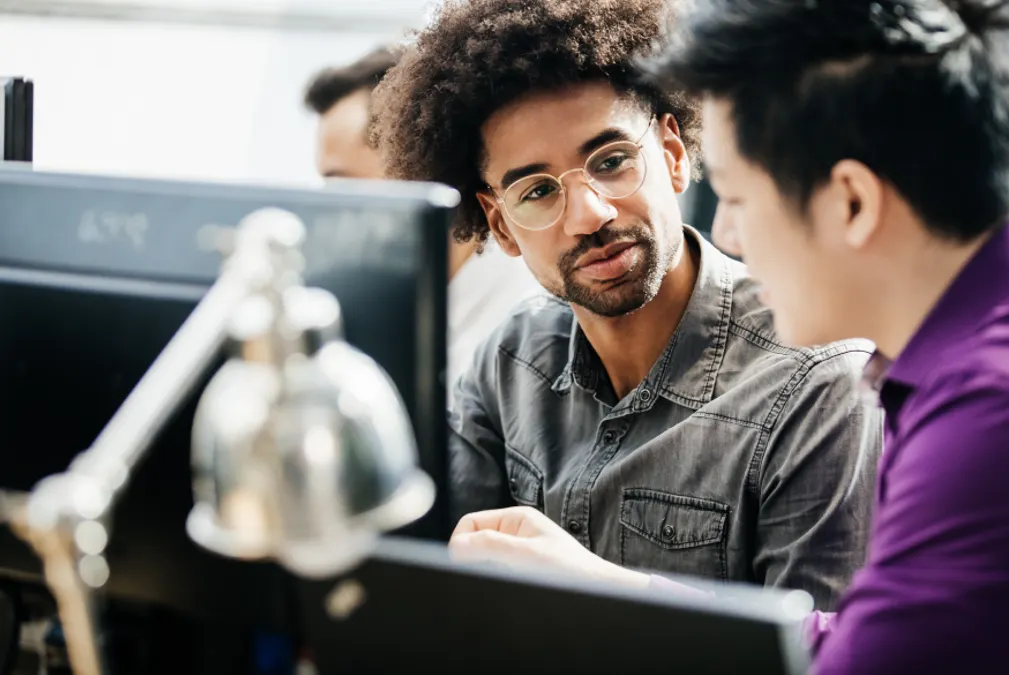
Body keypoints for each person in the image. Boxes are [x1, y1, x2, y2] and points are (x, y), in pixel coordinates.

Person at [644, 0, 1009, 672]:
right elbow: (879, 631)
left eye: (734, 197)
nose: (726, 236)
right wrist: (623, 591)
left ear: (852, 200)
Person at [371, 0, 882, 607]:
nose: (590, 216)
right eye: (536, 192)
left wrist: (604, 592)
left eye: (612, 162)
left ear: (672, 155)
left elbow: (827, 656)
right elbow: (442, 598)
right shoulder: (509, 363)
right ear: (501, 225)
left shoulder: (819, 384)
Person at [304, 47, 541, 393]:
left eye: (341, 186)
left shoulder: (525, 322)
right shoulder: (390, 302)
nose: (329, 213)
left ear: (416, 164)